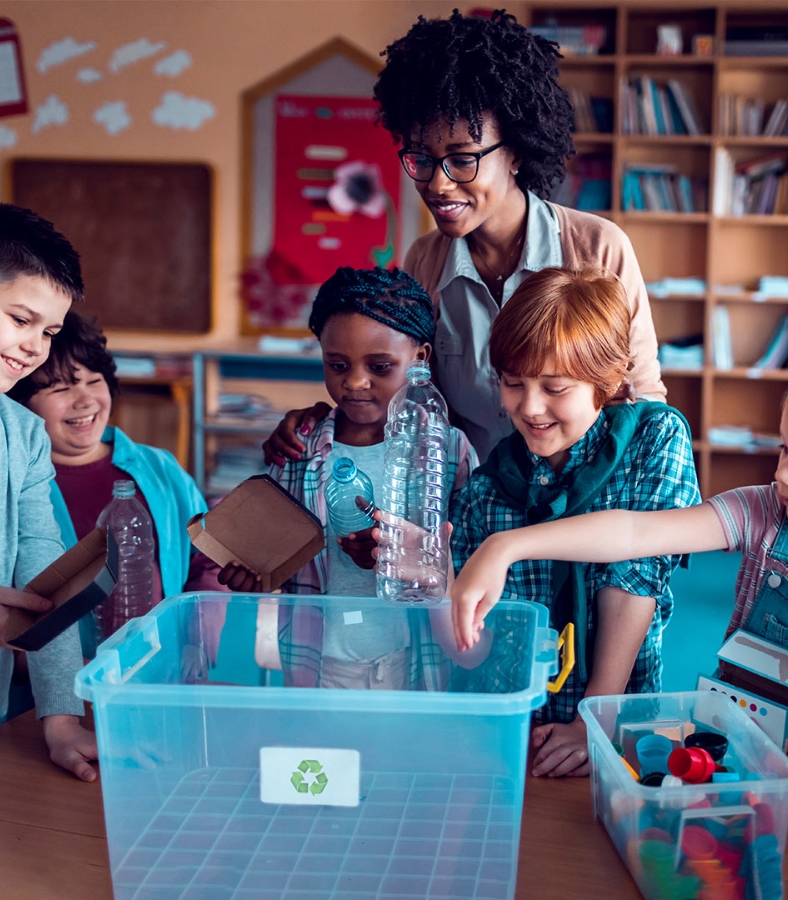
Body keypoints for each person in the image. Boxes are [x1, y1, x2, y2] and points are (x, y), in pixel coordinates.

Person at [264, 9, 665, 466]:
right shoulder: (424, 262)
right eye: (422, 159)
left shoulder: (596, 248)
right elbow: (405, 400)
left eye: (462, 159)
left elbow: (642, 402)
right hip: (471, 507)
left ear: (515, 150)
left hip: (579, 505)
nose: (438, 184)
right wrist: (326, 425)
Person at [452, 353, 788, 793]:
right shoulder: (763, 511)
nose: (782, 474)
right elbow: (634, 531)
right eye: (784, 448)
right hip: (731, 756)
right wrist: (505, 546)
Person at [448, 267, 699, 778]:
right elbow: (474, 641)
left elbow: (635, 572)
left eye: (555, 387)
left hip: (621, 723)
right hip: (519, 733)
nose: (530, 406)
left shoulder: (654, 440)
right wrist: (432, 572)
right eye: (512, 384)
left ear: (605, 382)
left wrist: (594, 718)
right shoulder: (485, 488)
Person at [222, 266, 477, 689]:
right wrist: (255, 575)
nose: (355, 382)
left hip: (420, 661)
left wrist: (412, 557)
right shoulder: (300, 449)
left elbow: (474, 565)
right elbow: (277, 560)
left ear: (420, 359)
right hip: (319, 660)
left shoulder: (449, 452)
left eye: (379, 366)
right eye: (337, 364)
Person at [8, 310, 228, 663]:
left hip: (156, 664)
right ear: (20, 402)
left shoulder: (158, 468)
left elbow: (209, 557)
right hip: (46, 682)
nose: (85, 401)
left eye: (94, 381)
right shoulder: (13, 481)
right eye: (61, 388)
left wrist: (196, 637)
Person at [0, 201, 98, 780]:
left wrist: (62, 717)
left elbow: (43, 570)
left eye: (49, 331)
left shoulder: (20, 434)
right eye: (20, 320)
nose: (36, 347)